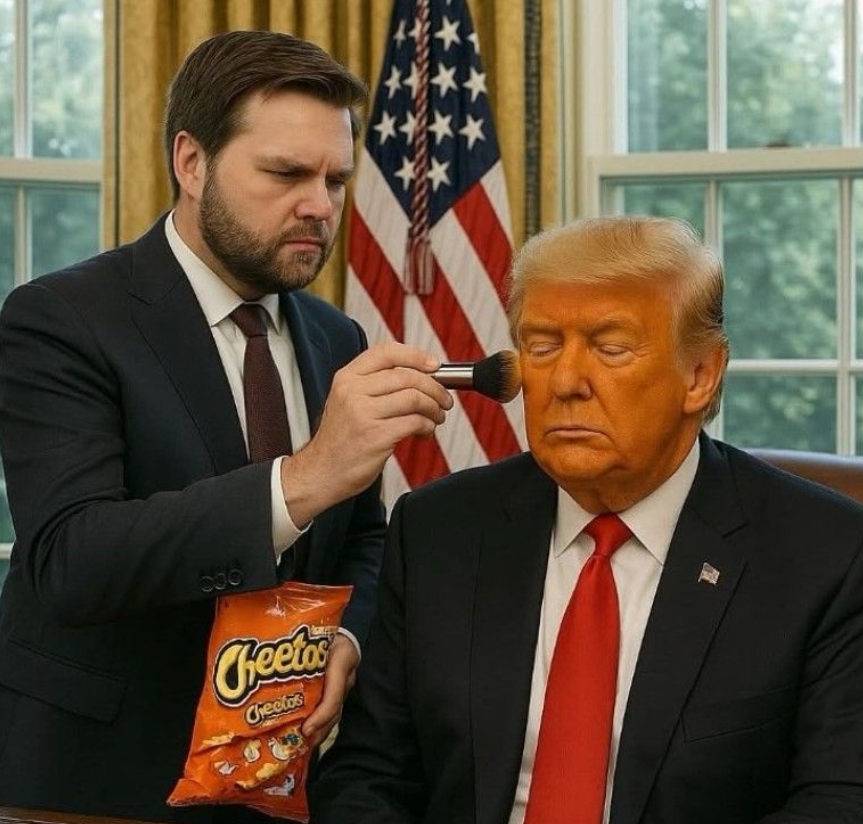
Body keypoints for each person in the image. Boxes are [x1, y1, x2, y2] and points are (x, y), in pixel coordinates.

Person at [0, 30, 452, 823]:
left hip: (279, 786)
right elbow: (73, 558)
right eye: (285, 173)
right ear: (191, 161)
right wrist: (303, 479)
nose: (320, 205)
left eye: (335, 179)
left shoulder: (335, 337)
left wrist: (347, 640)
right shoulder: (59, 318)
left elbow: (362, 535)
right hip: (93, 786)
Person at [311, 215, 863, 824]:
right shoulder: (438, 531)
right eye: (542, 347)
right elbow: (368, 776)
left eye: (610, 348)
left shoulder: (825, 556)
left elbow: (839, 802)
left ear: (700, 376)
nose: (566, 382)